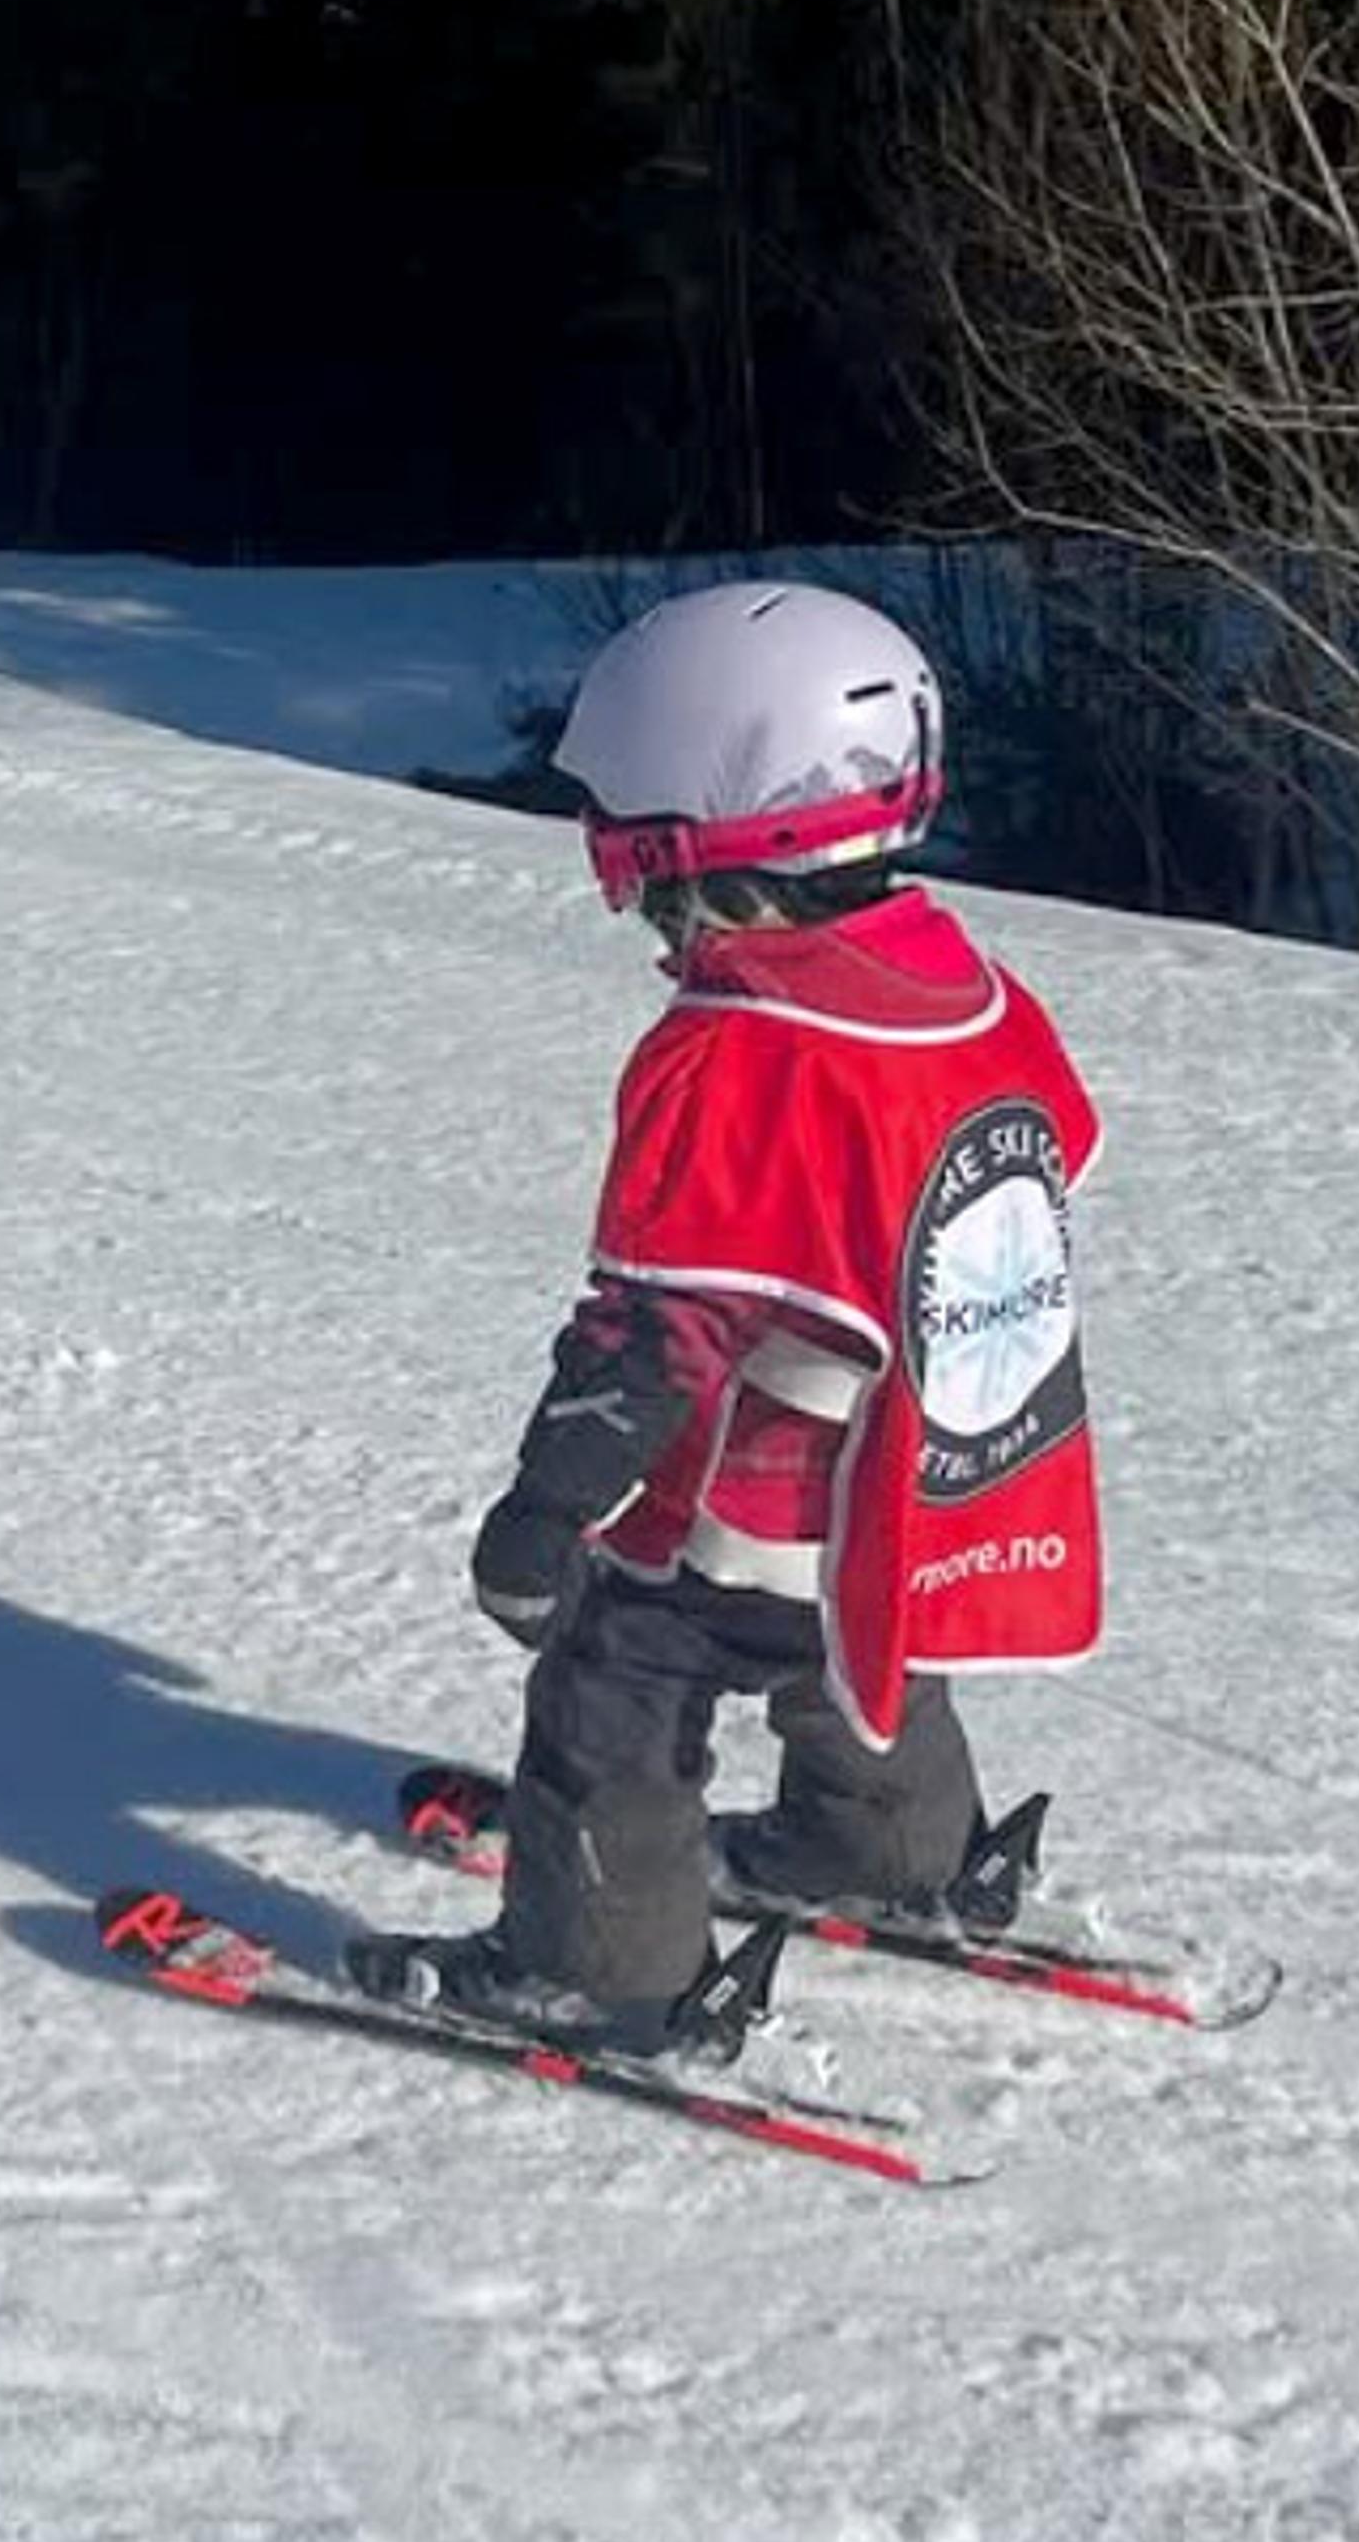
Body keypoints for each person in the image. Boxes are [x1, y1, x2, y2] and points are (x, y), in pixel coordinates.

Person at [352, 579, 1106, 2058]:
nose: (623, 883)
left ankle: (602, 1957)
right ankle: (886, 1846)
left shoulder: (736, 1054)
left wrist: (545, 1513)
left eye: (626, 844)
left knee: (613, 1677)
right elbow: (1045, 1161)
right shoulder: (977, 996)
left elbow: (653, 1332)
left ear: (697, 837)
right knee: (854, 1642)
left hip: (746, 1501)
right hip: (928, 1476)